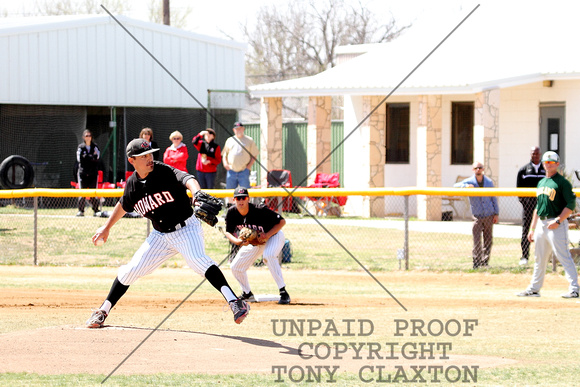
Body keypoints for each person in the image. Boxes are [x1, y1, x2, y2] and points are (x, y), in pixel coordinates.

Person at [85, 138, 249, 328]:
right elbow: (124, 204)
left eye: (150, 154)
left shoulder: (163, 171)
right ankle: (103, 310)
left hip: (186, 228)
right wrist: (106, 228)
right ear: (132, 161)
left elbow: (188, 179)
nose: (149, 159)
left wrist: (196, 194)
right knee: (131, 270)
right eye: (143, 156)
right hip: (160, 236)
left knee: (198, 261)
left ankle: (234, 301)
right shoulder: (132, 184)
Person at [517, 151, 579, 299]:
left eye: (551, 162)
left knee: (563, 256)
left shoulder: (562, 182)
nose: (547, 164)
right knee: (539, 258)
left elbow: (570, 205)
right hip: (541, 224)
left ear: (557, 164)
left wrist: (558, 220)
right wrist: (532, 228)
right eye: (546, 161)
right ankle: (534, 289)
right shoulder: (541, 182)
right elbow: (538, 207)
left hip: (556, 224)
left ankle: (575, 289)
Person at [224, 187, 291, 305]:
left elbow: (282, 221)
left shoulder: (259, 210)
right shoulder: (232, 213)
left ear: (248, 199)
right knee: (235, 266)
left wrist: (267, 235)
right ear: (234, 199)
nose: (241, 201)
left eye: (243, 198)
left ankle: (283, 292)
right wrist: (237, 241)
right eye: (238, 198)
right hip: (256, 242)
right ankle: (247, 293)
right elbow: (228, 232)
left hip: (273, 236)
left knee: (269, 256)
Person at [454, 162, 499, 269]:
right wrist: (465, 186)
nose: (478, 170)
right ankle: (476, 262)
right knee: (477, 240)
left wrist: (496, 213)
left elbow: (494, 198)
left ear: (483, 169)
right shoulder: (469, 181)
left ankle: (485, 262)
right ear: (473, 170)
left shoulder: (488, 182)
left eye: (480, 168)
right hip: (477, 215)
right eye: (476, 168)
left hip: (489, 214)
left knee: (488, 239)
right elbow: (455, 186)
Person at [516, 146, 545, 266]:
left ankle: (543, 257)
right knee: (526, 231)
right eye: (533, 153)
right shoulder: (523, 170)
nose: (535, 156)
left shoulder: (545, 170)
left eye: (537, 154)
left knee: (544, 231)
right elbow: (519, 191)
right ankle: (524, 257)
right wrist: (526, 203)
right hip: (528, 208)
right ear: (530, 154)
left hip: (543, 207)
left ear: (540, 154)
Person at [222, 122, 258, 190]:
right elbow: (224, 154)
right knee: (230, 192)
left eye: (240, 129)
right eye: (237, 129)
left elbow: (254, 155)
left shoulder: (249, 140)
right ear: (233, 130)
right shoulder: (229, 140)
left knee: (245, 192)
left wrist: (248, 167)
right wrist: (225, 164)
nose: (239, 130)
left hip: (244, 171)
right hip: (231, 171)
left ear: (243, 129)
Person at [76, 129, 101, 217]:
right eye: (86, 136)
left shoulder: (95, 147)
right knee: (82, 193)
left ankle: (96, 210)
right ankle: (81, 211)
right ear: (83, 137)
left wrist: (87, 157)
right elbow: (80, 159)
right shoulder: (80, 147)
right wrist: (91, 157)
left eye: (89, 136)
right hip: (83, 173)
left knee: (93, 192)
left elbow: (97, 158)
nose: (88, 137)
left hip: (93, 173)